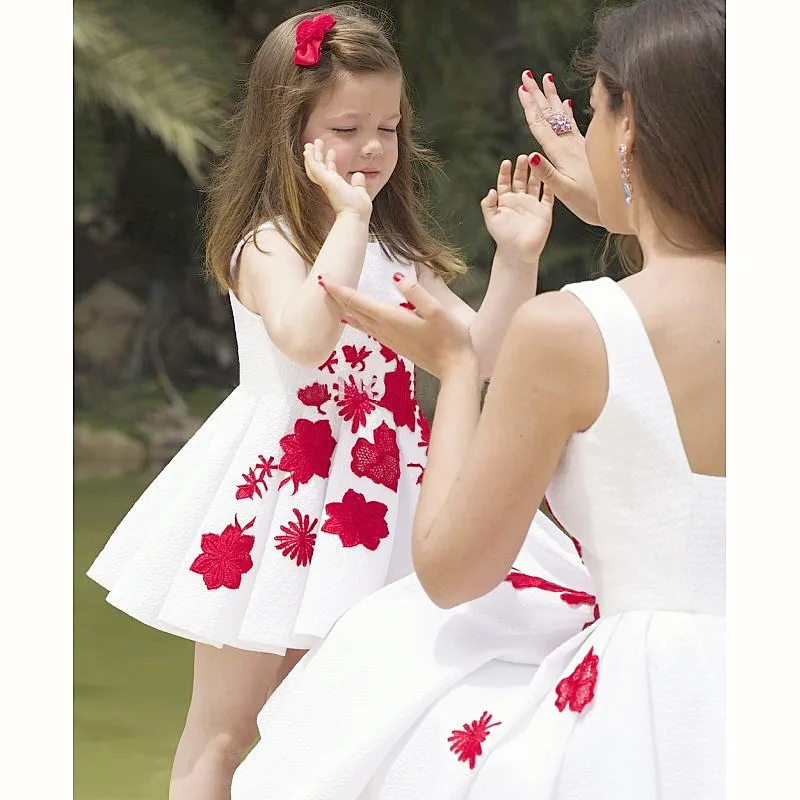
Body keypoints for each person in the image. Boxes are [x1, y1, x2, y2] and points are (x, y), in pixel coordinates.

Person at [231, 0, 726, 797]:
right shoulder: (273, 241)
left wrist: (459, 373)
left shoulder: (572, 330)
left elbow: (453, 573)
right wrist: (618, 201)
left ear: (627, 128)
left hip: (645, 703)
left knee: (354, 723)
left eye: (593, 110)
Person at [86, 4, 558, 798]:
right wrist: (348, 215)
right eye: (346, 127)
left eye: (388, 127)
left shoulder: (390, 247)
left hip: (385, 501)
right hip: (287, 500)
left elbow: (479, 356)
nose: (371, 148)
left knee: (345, 726)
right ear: (290, 130)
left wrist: (515, 262)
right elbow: (307, 335)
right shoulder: (265, 241)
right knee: (227, 730)